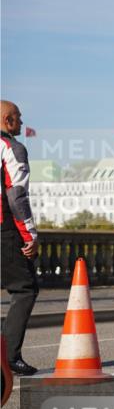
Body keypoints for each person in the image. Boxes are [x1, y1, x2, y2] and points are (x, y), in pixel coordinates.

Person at [1, 100, 40, 376]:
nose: (22, 123)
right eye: (19, 118)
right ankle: (8, 357)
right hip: (4, 230)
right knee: (25, 289)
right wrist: (30, 235)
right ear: (7, 120)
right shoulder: (13, 149)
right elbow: (17, 197)